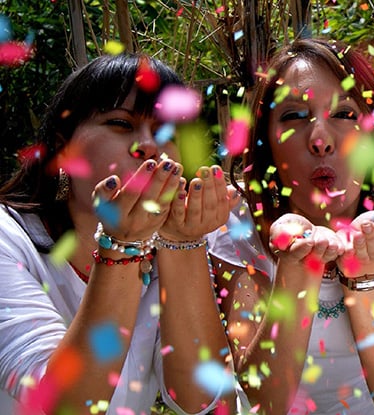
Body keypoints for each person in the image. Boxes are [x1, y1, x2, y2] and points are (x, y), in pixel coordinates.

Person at [208, 38, 374, 415]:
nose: (320, 140)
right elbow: (264, 399)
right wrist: (297, 269)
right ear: (265, 142)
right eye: (293, 117)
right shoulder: (238, 225)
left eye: (345, 115)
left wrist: (365, 273)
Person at [0, 53, 238, 414]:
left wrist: (182, 243)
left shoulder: (161, 248)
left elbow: (203, 401)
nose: (149, 146)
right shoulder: (9, 239)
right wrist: (121, 247)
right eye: (121, 124)